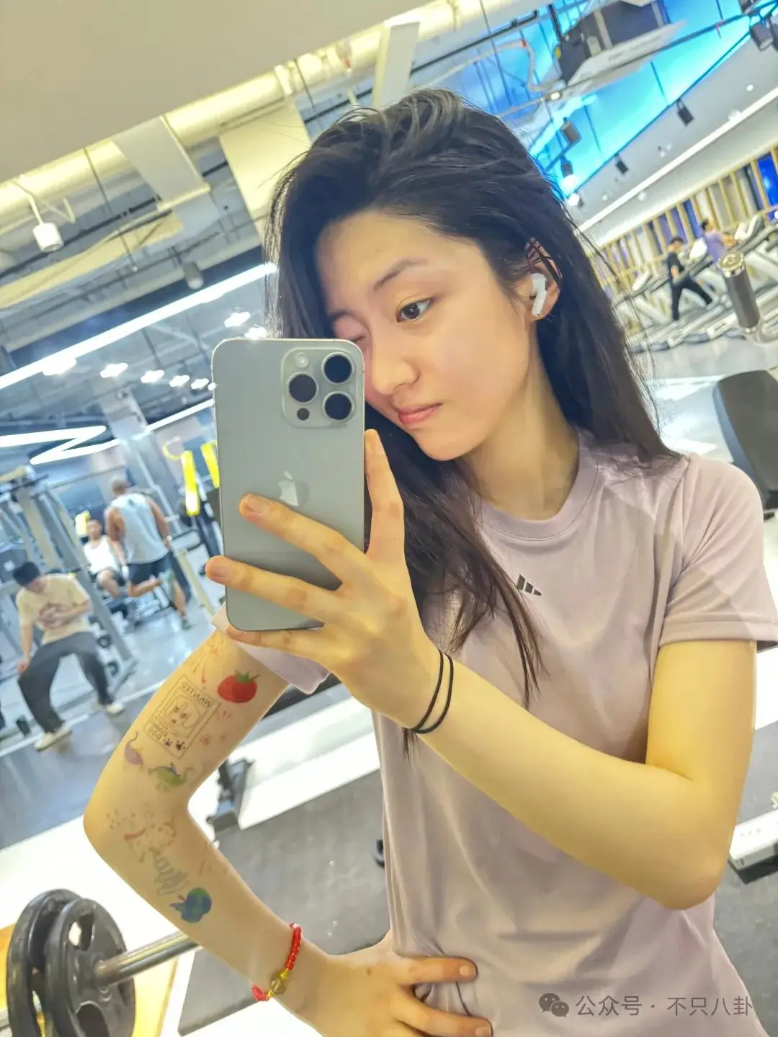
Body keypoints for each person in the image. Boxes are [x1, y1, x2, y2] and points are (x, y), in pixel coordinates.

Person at [85, 91, 778, 1036]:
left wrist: (421, 685)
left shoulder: (694, 510)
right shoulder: (356, 552)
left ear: (532, 277)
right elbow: (130, 809)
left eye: (414, 307)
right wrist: (309, 984)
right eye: (352, 340)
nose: (384, 375)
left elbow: (686, 850)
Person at [13, 561, 123, 751]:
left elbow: (87, 606)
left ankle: (106, 699)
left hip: (78, 630)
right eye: (30, 587)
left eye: (36, 584)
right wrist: (26, 656)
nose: (35, 589)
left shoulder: (64, 582)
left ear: (41, 574)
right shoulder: (23, 597)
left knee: (90, 656)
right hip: (51, 639)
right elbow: (26, 627)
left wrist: (63, 617)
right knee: (27, 678)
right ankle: (54, 727)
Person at [106, 478, 191, 629]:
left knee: (132, 591)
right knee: (173, 584)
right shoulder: (145, 500)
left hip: (137, 556)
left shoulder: (113, 510)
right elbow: (161, 520)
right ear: (127, 486)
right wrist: (166, 538)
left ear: (113, 491)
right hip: (158, 550)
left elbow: (114, 539)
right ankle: (183, 616)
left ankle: (158, 582)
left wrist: (122, 559)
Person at [666, 235, 713, 321]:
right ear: (675, 243)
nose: (680, 246)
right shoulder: (672, 255)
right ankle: (709, 301)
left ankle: (675, 318)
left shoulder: (672, 254)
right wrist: (676, 277)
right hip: (680, 279)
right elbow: (674, 267)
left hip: (679, 280)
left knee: (675, 300)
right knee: (697, 290)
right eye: (679, 244)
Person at [83, 517, 125, 599]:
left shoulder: (107, 540)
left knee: (103, 578)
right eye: (89, 527)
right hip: (95, 575)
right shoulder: (85, 548)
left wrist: (124, 566)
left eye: (94, 526)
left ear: (100, 527)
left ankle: (120, 598)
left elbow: (119, 552)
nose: (93, 530)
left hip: (112, 570)